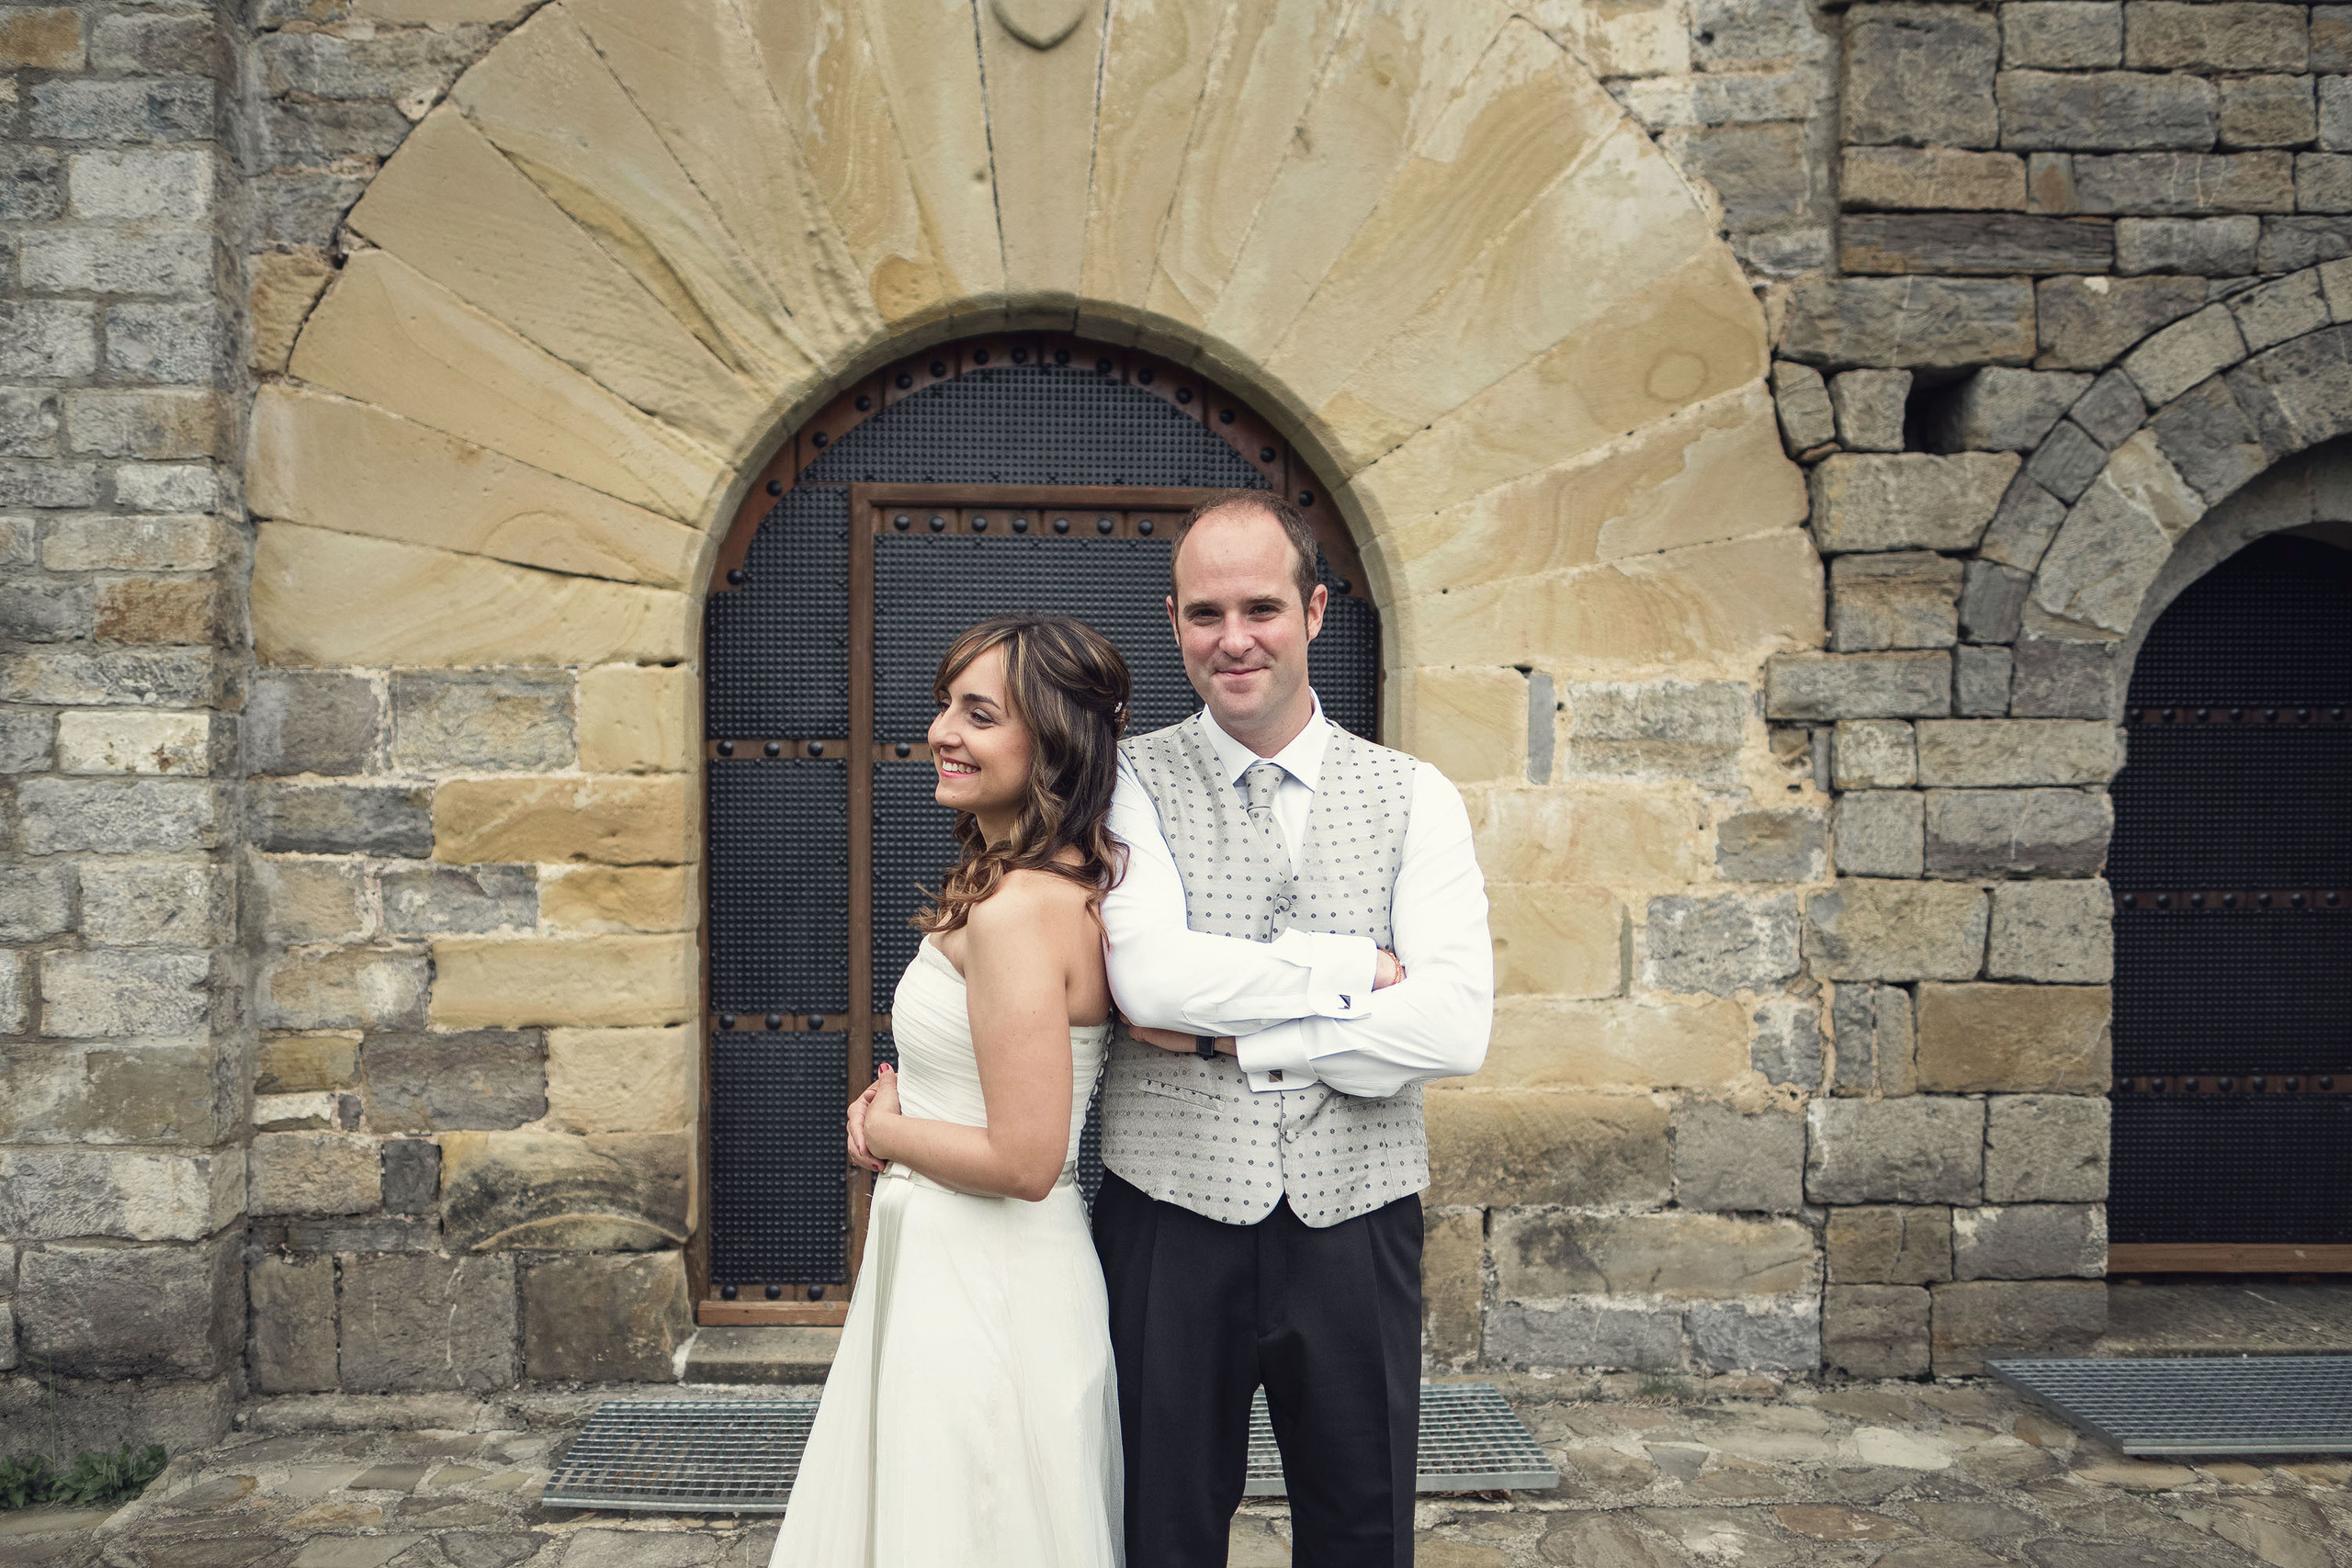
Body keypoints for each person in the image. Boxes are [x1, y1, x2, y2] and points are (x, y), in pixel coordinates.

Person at [1095, 494, 1493, 1568]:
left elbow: (1454, 1024)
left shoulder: (1416, 796)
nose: (1235, 639)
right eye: (1205, 612)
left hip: (1356, 1215)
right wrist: (1354, 971)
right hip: (1168, 1210)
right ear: (1173, 621)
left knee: (1362, 1527)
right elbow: (1152, 980)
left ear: (1314, 611)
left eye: (1261, 607)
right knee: (1160, 1527)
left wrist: (1247, 1040)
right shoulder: (1124, 782)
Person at [772, 615, 1131, 1568]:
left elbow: (1023, 1159)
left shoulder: (1018, 913)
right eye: (944, 706)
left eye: (980, 714)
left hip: (988, 1279)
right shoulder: (1038, 883)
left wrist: (890, 1128)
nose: (943, 731)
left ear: (1051, 739)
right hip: (956, 1263)